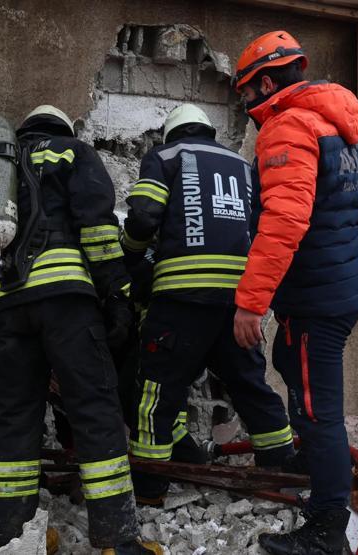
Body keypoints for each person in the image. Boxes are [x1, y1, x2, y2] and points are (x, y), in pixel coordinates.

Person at [0, 105, 161, 555]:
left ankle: (14, 537)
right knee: (94, 410)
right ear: (63, 128)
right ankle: (116, 540)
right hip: (66, 303)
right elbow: (98, 232)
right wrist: (117, 296)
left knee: (17, 418)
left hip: (8, 308)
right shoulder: (73, 152)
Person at [231, 31, 358, 554]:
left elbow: (285, 221)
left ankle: (327, 524)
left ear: (266, 82)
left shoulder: (288, 126)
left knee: (317, 410)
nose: (246, 105)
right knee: (288, 359)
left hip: (316, 297)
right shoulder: (336, 126)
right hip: (336, 287)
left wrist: (251, 302)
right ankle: (320, 464)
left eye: (247, 92)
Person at [122, 103, 296, 503]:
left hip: (181, 299)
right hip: (238, 301)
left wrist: (129, 254)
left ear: (171, 133)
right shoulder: (241, 166)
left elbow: (144, 217)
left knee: (158, 390)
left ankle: (150, 487)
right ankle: (279, 471)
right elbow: (259, 227)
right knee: (250, 385)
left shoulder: (165, 157)